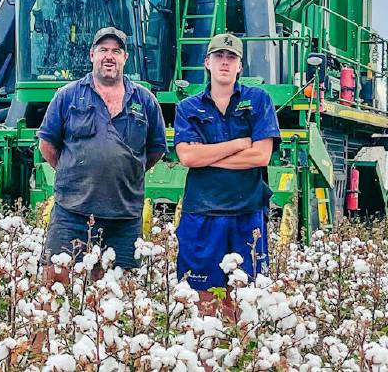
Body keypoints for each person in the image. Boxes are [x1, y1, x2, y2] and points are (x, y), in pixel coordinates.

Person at [37, 26, 168, 276]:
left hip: (124, 216)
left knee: (117, 293)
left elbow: (155, 150)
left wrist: (128, 169)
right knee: (55, 280)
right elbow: (47, 144)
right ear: (92, 55)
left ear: (125, 58)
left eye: (116, 51)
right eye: (103, 50)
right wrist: (73, 170)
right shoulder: (67, 96)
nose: (109, 56)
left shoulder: (145, 101)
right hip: (72, 212)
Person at [173, 32, 280, 307]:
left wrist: (206, 154)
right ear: (206, 62)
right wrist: (239, 144)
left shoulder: (259, 100)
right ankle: (205, 348)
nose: (224, 62)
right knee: (201, 298)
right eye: (218, 56)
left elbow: (260, 156)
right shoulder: (188, 107)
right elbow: (187, 157)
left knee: (245, 298)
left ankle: (238, 349)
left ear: (240, 65)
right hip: (201, 213)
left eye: (231, 57)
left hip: (247, 213)